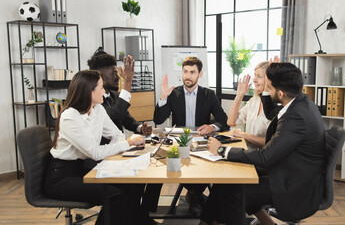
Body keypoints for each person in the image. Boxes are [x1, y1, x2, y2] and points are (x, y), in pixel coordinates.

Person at [201, 62, 326, 225]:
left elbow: (266, 156)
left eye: (270, 87)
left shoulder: (296, 118)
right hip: (289, 172)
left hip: (292, 185)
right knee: (225, 182)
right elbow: (272, 112)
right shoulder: (300, 103)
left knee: (232, 193)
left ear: (280, 93)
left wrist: (223, 151)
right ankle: (207, 222)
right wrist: (267, 85)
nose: (267, 88)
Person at [43, 70, 154, 225]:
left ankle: (137, 220)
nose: (104, 91)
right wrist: (128, 143)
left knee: (132, 183)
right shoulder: (70, 116)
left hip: (84, 169)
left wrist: (122, 142)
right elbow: (95, 152)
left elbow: (116, 134)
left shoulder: (97, 109)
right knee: (115, 195)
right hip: (61, 177)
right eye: (101, 87)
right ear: (89, 91)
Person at [153, 56, 229, 215]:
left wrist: (211, 126)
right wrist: (163, 97)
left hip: (202, 143)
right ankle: (195, 194)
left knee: (207, 167)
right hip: (179, 142)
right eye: (185, 71)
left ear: (200, 74)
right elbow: (158, 119)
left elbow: (224, 121)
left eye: (192, 72)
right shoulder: (173, 93)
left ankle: (194, 193)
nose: (188, 76)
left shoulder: (208, 94)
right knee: (178, 165)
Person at [87, 47, 152, 142]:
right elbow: (114, 117)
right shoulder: (94, 100)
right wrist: (128, 81)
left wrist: (141, 128)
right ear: (101, 77)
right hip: (104, 152)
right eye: (114, 74)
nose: (118, 77)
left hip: (118, 148)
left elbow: (127, 119)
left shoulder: (114, 95)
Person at [227, 61, 271, 149]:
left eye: (259, 76)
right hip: (248, 154)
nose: (254, 79)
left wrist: (243, 135)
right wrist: (239, 95)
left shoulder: (277, 107)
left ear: (270, 80)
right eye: (255, 75)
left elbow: (271, 143)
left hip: (264, 158)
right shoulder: (254, 101)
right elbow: (231, 122)